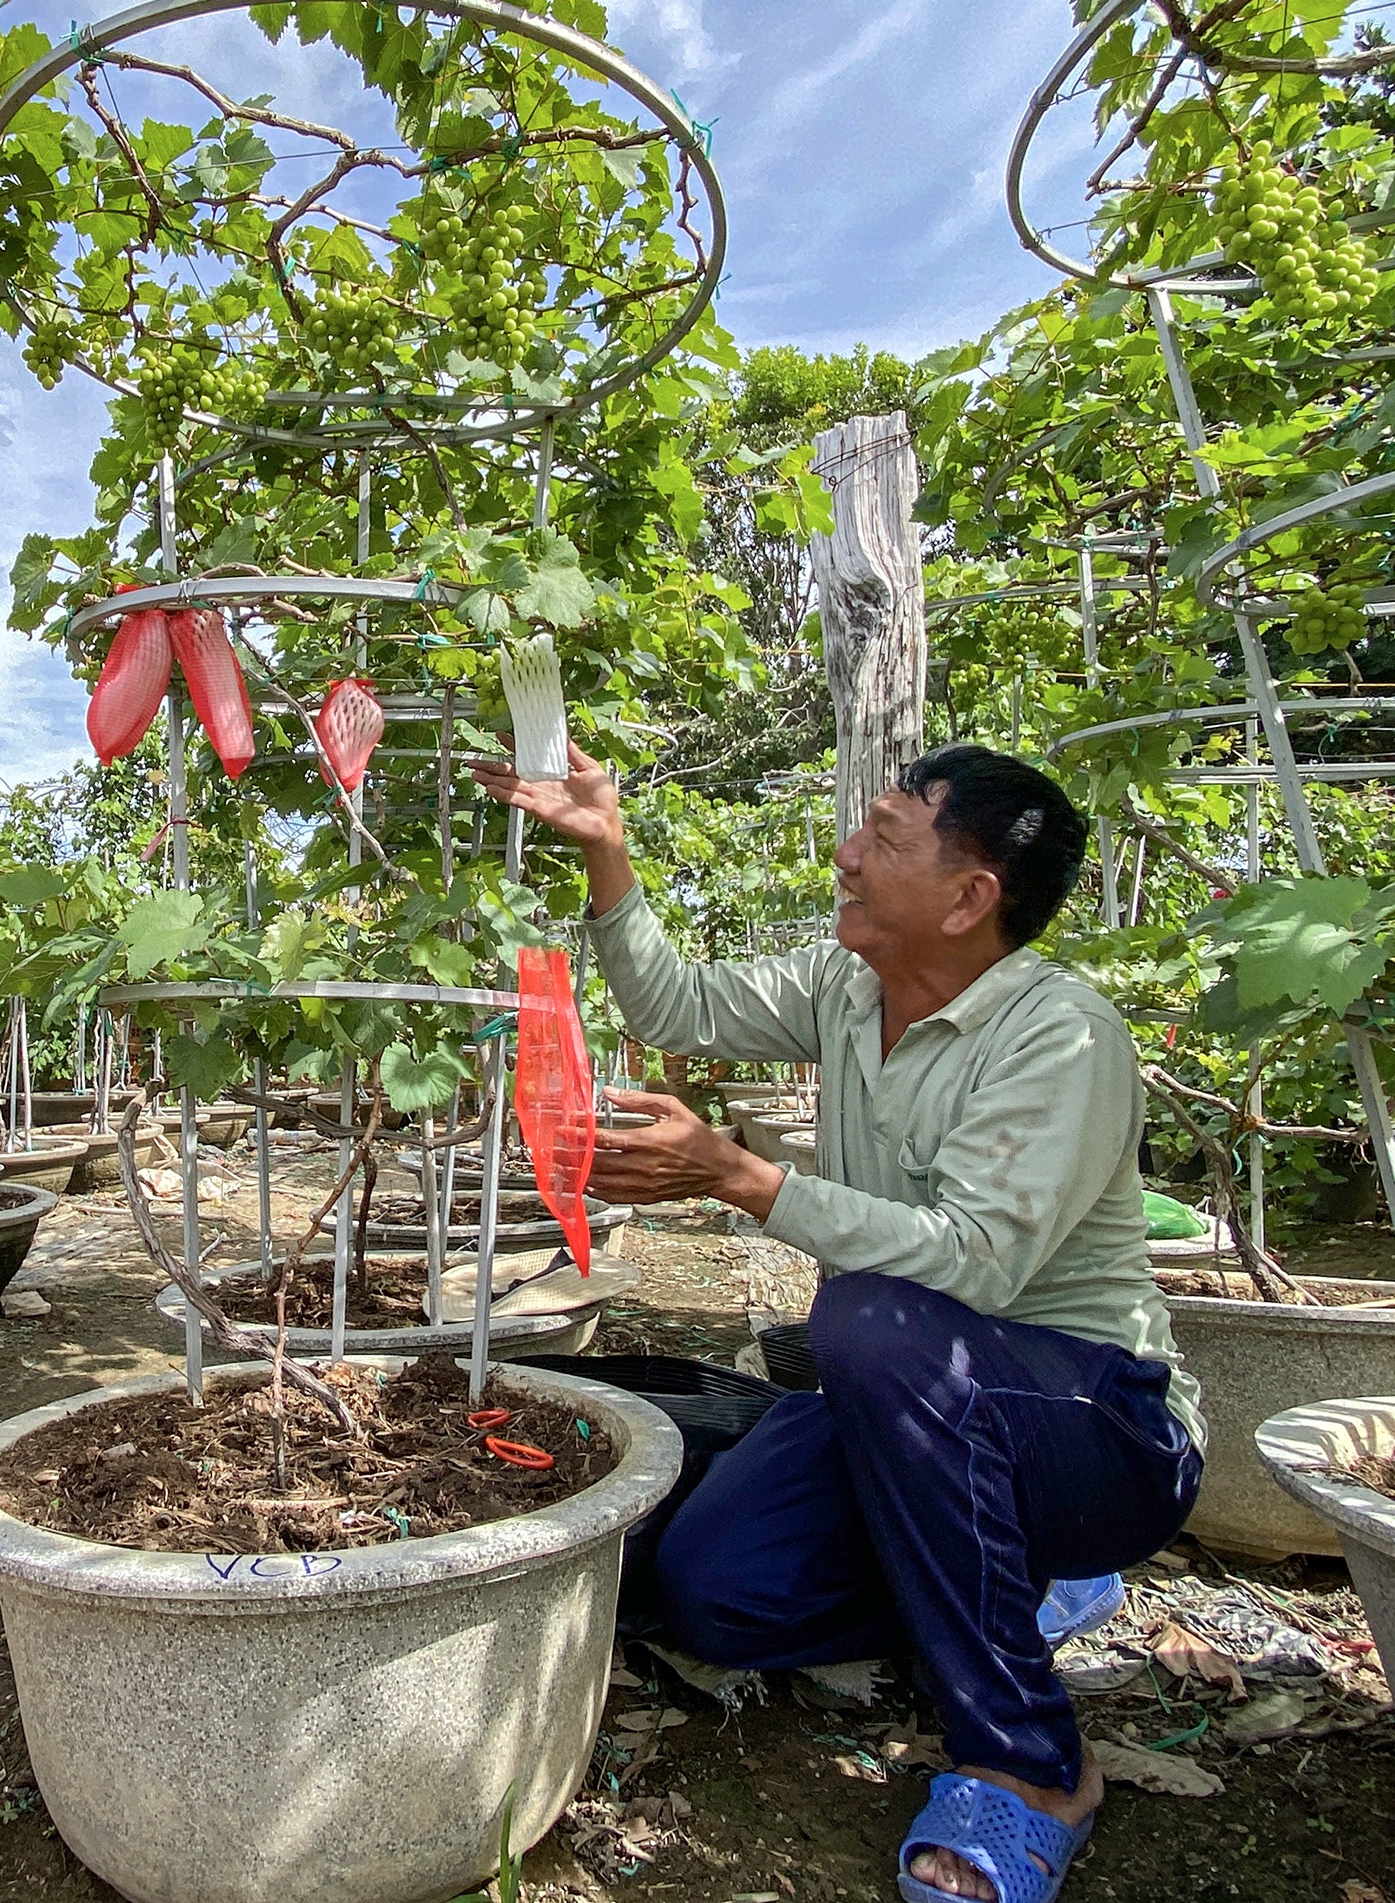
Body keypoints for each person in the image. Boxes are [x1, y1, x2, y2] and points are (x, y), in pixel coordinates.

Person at [473, 741, 1203, 1903]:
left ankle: (1029, 1765)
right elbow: (677, 1000)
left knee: (866, 1317)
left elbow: (976, 1260)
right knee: (718, 1589)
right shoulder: (843, 989)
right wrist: (605, 848)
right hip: (913, 1391)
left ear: (972, 897)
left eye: (883, 835)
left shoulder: (1060, 1037)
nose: (845, 855)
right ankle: (1013, 1586)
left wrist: (736, 1174)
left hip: (1096, 1428)